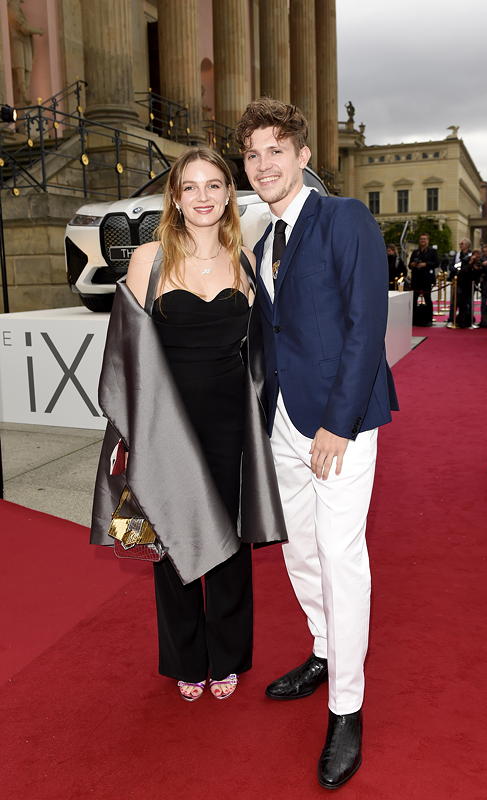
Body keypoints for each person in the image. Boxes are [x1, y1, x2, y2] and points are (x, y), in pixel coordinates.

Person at [235, 98, 398, 790]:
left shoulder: (343, 218)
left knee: (338, 555)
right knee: (299, 549)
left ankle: (347, 708)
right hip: (282, 419)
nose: (263, 164)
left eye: (276, 150)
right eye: (252, 154)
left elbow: (366, 326)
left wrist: (338, 421)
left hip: (340, 422)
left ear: (303, 156)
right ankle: (325, 650)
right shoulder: (261, 239)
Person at [91, 147, 286, 703]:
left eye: (214, 185)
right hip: (165, 424)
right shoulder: (148, 259)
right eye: (191, 186)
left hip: (230, 422)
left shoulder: (246, 261)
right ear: (175, 197)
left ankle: (227, 655)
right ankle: (185, 658)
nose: (203, 196)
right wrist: (129, 433)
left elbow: (259, 351)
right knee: (172, 540)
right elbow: (127, 353)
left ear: (228, 195)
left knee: (230, 541)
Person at [409, 233, 439, 325]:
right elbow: (409, 265)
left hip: (426, 279)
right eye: (421, 239)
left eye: (424, 239)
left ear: (428, 241)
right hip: (416, 279)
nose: (423, 240)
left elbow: (436, 263)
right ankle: (413, 319)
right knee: (414, 300)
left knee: (427, 299)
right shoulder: (415, 252)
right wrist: (413, 264)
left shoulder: (432, 251)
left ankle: (429, 319)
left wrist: (425, 264)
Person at [446, 238, 472, 327]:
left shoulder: (471, 255)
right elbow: (451, 266)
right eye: (460, 243)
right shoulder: (457, 255)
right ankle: (451, 319)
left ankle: (464, 320)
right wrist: (457, 268)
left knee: (466, 302)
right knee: (454, 301)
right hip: (457, 281)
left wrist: (459, 267)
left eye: (462, 243)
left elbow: (468, 266)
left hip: (467, 282)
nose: (460, 245)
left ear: (467, 245)